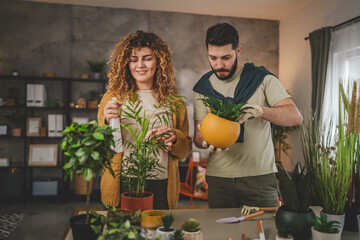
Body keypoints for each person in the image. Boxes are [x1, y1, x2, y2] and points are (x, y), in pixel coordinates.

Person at [193, 23, 303, 208]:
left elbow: (295, 117)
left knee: (263, 234)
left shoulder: (262, 78)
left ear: (238, 50)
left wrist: (261, 111)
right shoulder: (203, 87)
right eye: (213, 58)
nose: (219, 65)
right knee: (222, 235)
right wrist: (204, 139)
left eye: (226, 57)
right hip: (219, 178)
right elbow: (197, 135)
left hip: (259, 177)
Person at [98, 30, 192, 209]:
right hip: (122, 182)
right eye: (134, 60)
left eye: (147, 58)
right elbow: (103, 148)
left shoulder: (174, 101)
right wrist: (108, 123)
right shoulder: (112, 98)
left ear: (159, 61)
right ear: (126, 63)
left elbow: (185, 148)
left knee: (156, 234)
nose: (140, 65)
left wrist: (174, 137)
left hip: (161, 184)